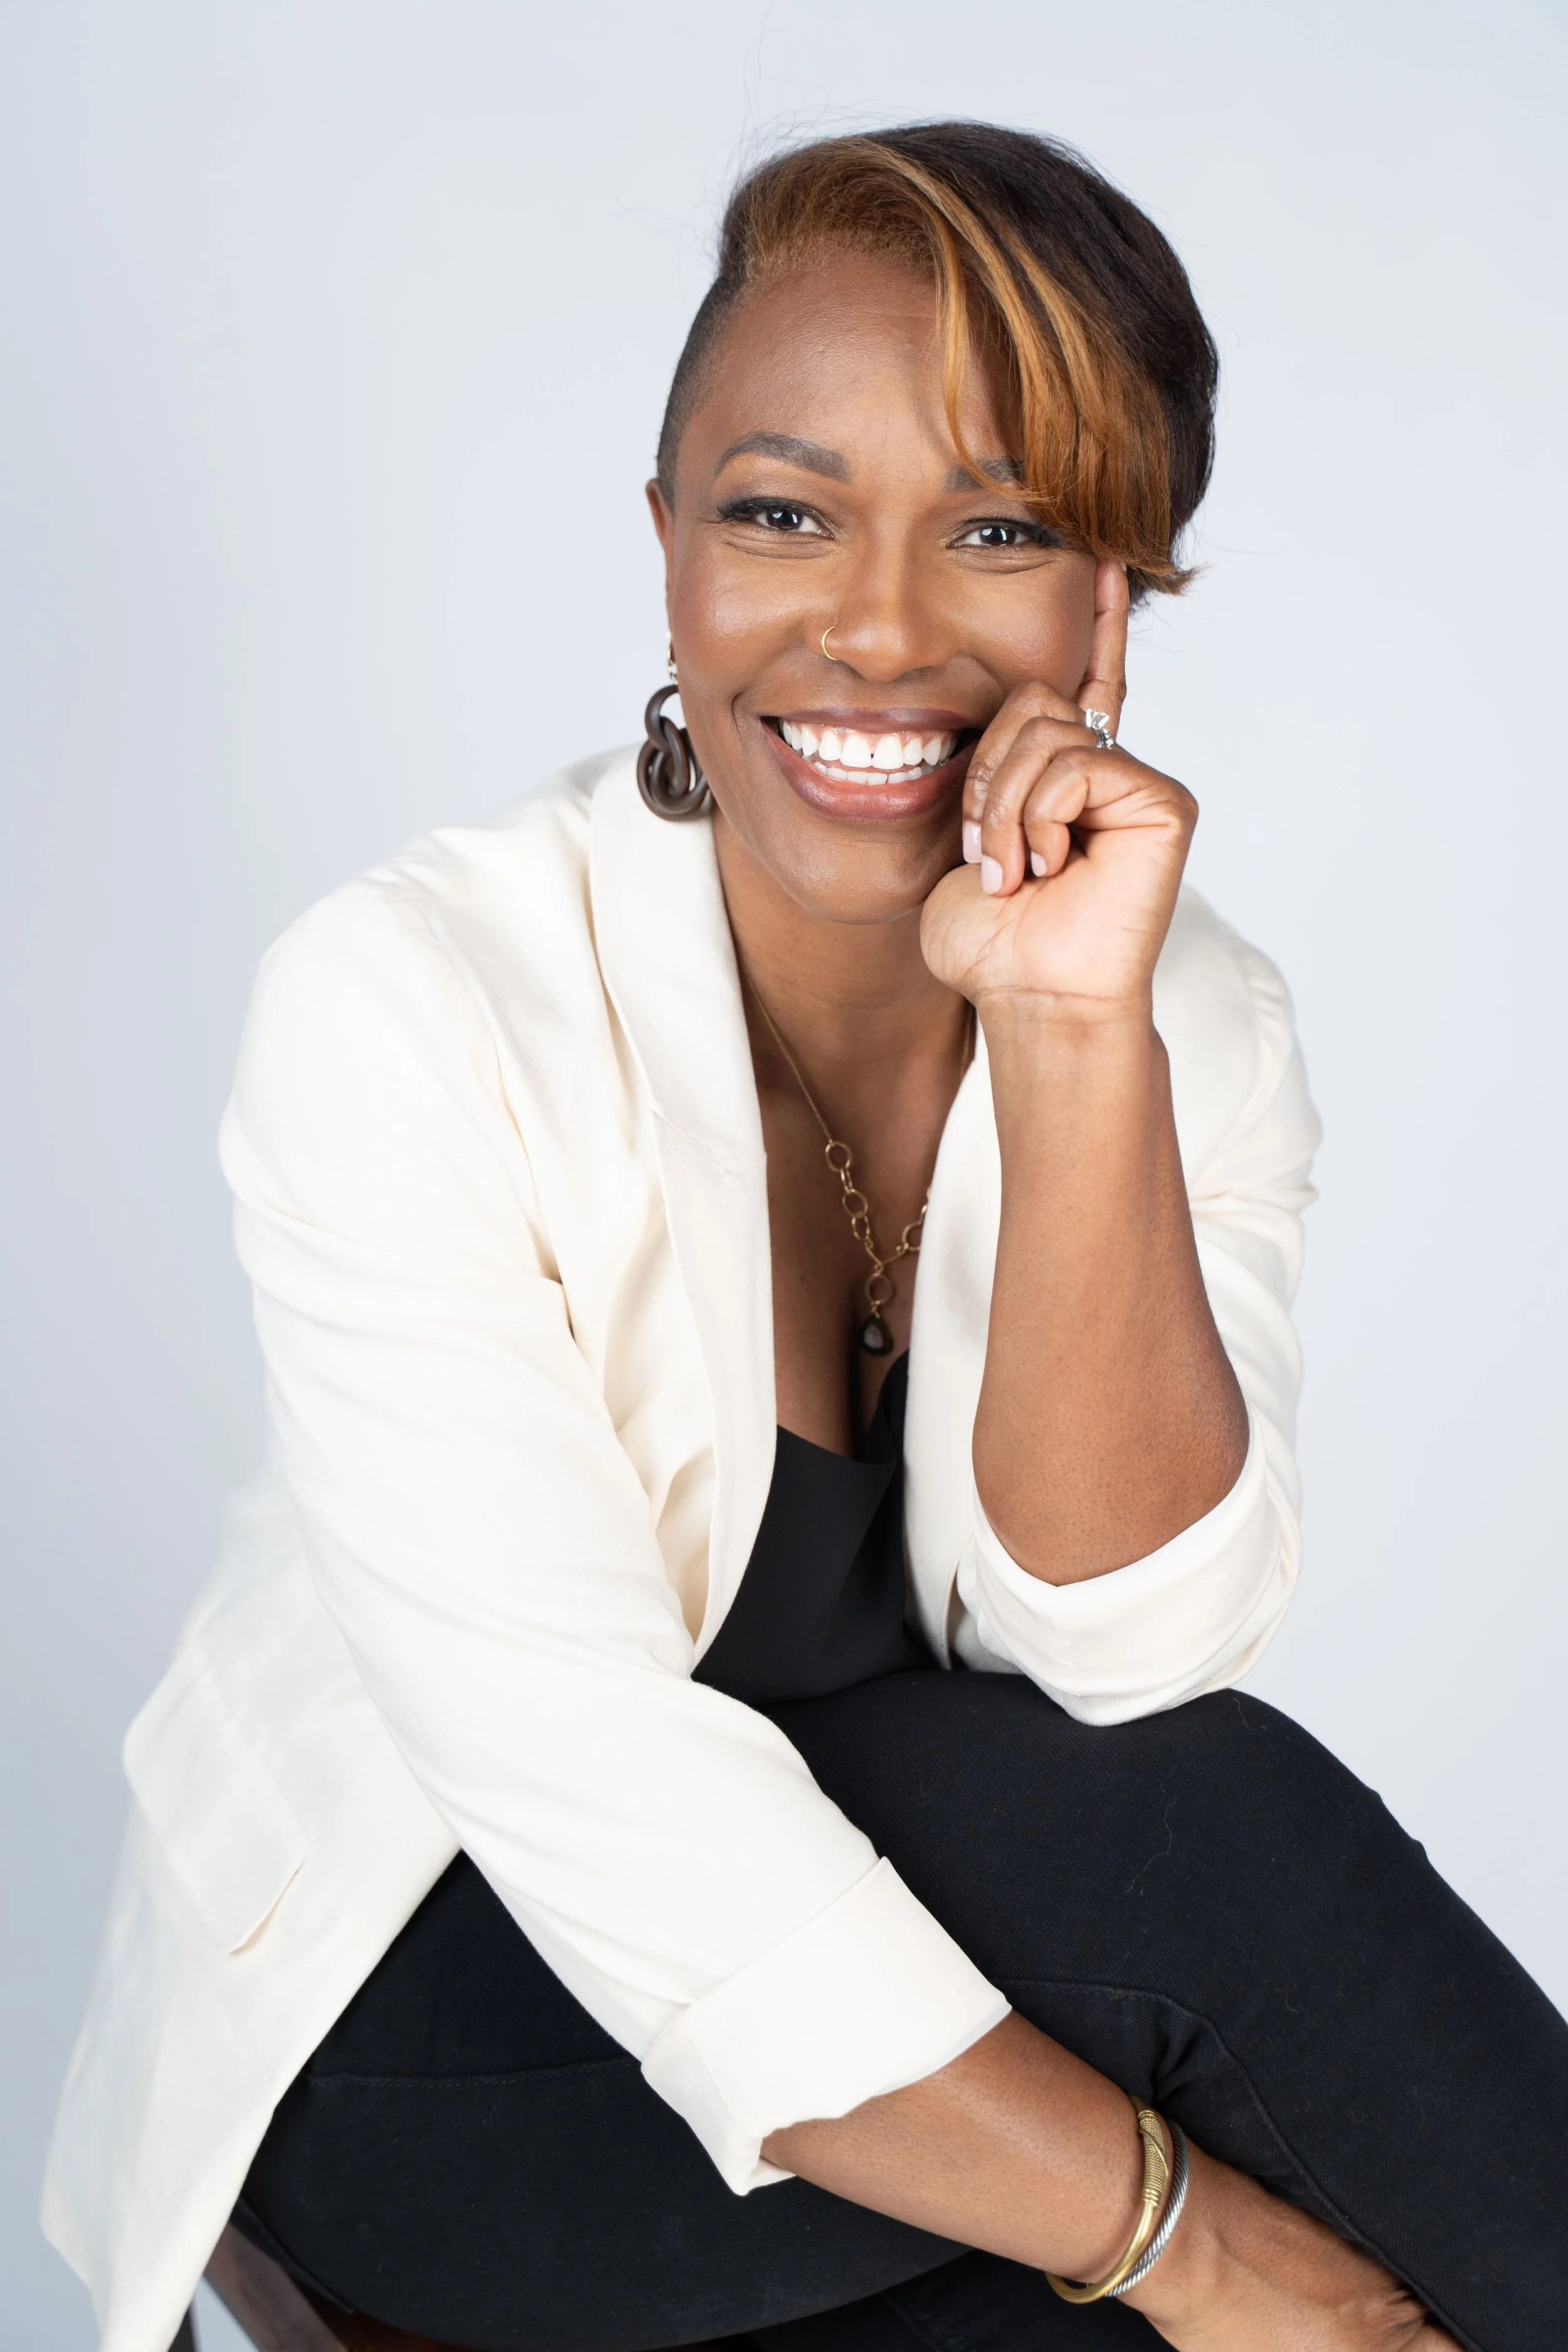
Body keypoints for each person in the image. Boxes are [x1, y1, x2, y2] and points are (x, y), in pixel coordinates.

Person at [43, 122, 1567, 2352]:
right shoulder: (413, 997)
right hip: (440, 2014)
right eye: (780, 512)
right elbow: (596, 1784)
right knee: (1201, 1864)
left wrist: (1068, 1040)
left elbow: (1127, 1650)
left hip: (910, 1994)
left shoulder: (1188, 1013)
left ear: (1108, 609)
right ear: (668, 553)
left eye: (998, 530)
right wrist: (1204, 2250)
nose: (874, 624)